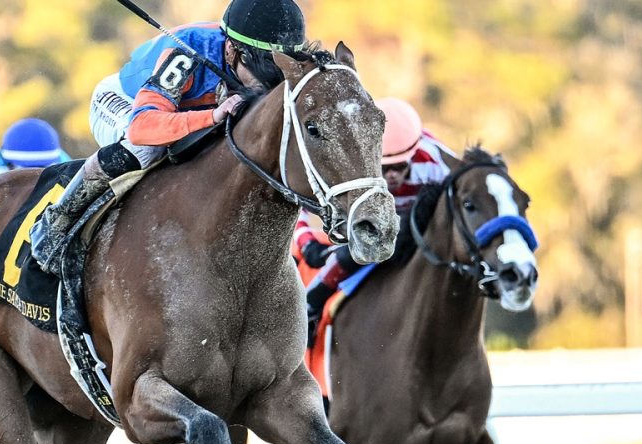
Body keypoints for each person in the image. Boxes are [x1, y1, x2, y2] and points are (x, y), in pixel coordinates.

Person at [28, 0, 308, 274]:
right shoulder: (188, 53)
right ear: (232, 50)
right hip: (125, 103)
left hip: (184, 109)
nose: (267, 81)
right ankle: (56, 221)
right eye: (259, 66)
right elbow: (142, 127)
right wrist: (211, 117)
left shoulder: (260, 54)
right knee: (149, 149)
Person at [300, 97, 455, 344]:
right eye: (384, 168)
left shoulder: (436, 162)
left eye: (402, 166)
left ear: (414, 154)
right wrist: (306, 241)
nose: (393, 176)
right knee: (357, 247)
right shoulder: (350, 160)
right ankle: (310, 304)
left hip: (419, 228)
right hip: (369, 230)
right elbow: (300, 204)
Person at [0, 117, 71, 196]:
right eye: (24, 168)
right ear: (7, 162)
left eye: (42, 166)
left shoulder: (65, 165)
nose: (34, 174)